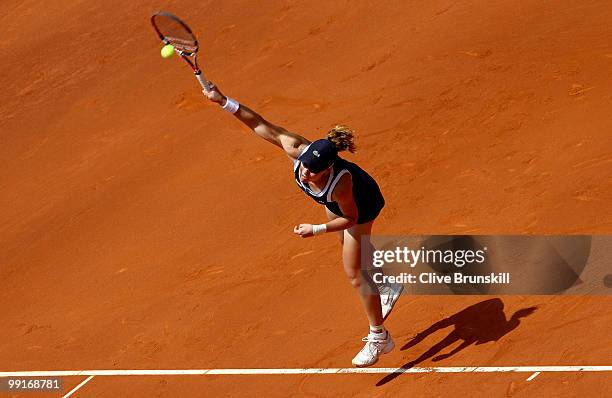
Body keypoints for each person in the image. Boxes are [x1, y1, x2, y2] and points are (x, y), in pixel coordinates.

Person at [202, 83, 403, 367]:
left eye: (313, 169)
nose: (306, 171)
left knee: (354, 272)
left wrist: (316, 229)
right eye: (305, 164)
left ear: (329, 169)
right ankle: (387, 284)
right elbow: (260, 124)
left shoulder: (342, 185)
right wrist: (223, 101)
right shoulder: (298, 150)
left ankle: (379, 337)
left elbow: (352, 219)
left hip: (361, 205)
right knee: (346, 246)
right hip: (335, 205)